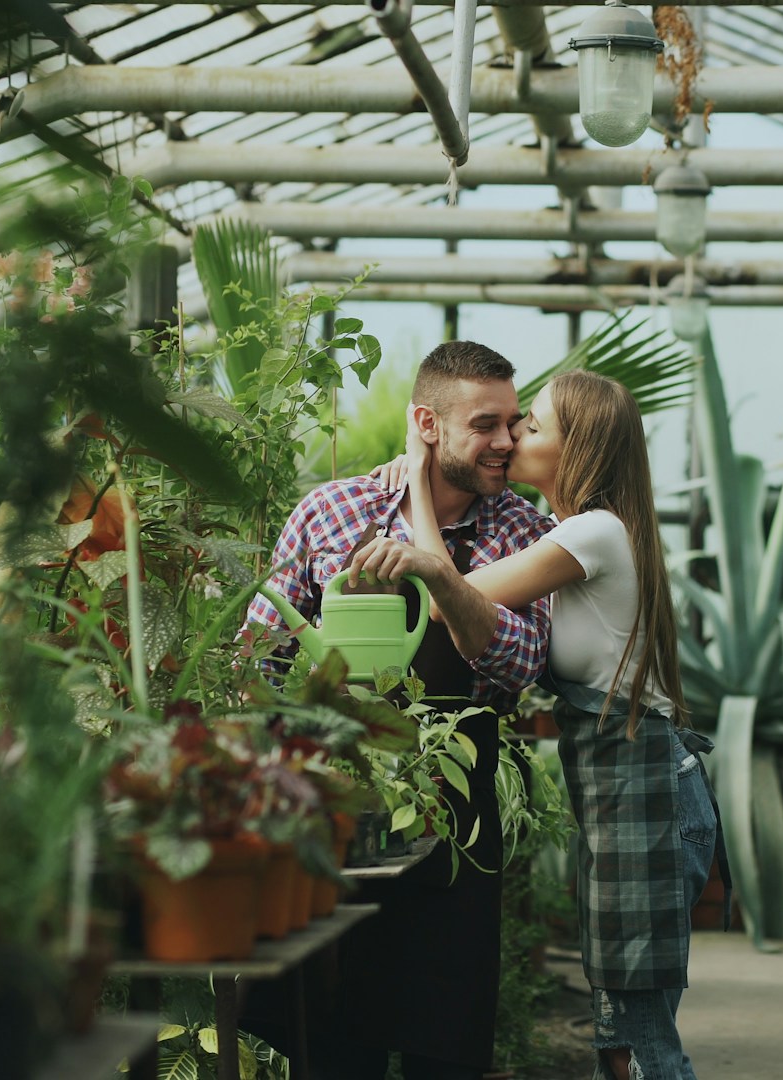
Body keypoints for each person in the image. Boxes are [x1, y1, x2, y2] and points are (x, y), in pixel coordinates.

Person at [349, 370, 719, 1080]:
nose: (514, 437)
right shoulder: (577, 532)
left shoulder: (594, 533)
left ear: (576, 449)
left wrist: (420, 483)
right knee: (617, 1031)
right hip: (624, 793)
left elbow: (447, 598)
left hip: (645, 795)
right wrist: (419, 476)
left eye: (533, 427)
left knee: (642, 1038)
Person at [243, 340, 552, 1080]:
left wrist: (436, 571)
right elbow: (256, 654)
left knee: (441, 1044)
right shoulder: (331, 511)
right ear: (428, 422)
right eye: (486, 424)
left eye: (514, 423)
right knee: (332, 1043)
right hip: (339, 803)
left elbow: (517, 663)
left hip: (455, 814)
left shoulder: (520, 530)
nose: (507, 442)